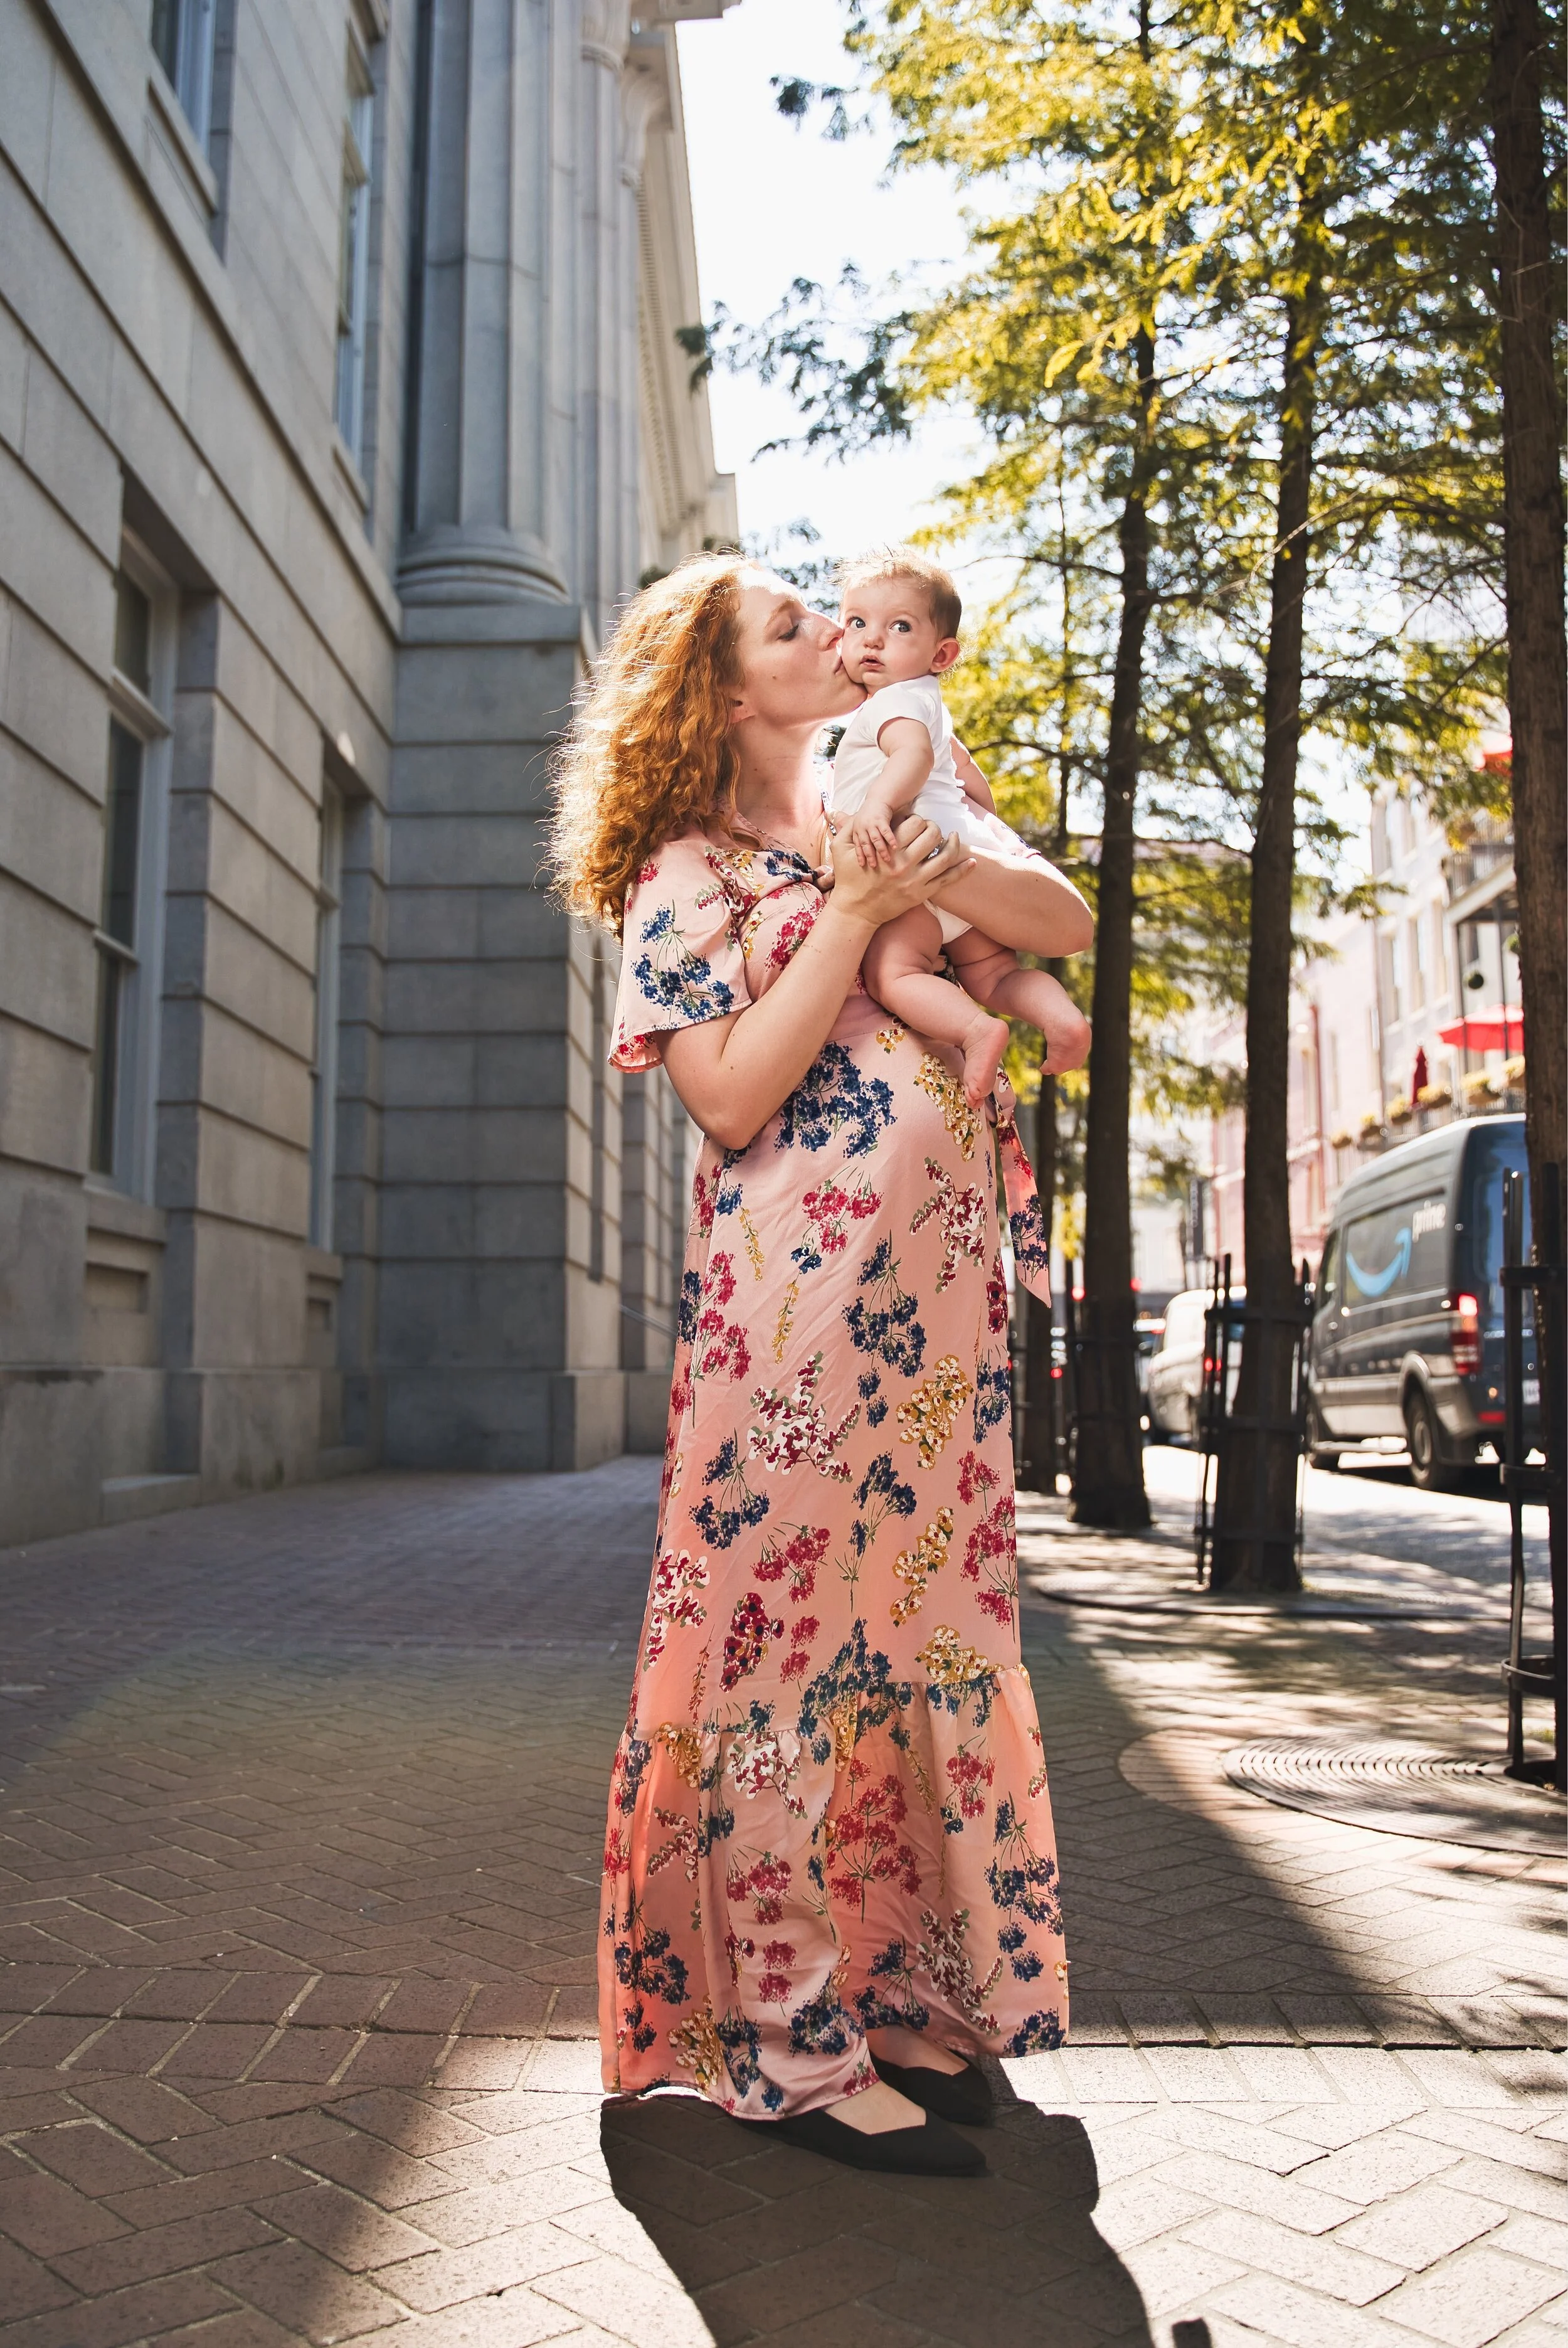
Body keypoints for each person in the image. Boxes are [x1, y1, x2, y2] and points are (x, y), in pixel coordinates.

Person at [554, 556, 1088, 2177]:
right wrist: (852, 911)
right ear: (723, 691)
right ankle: (787, 2042)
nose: (834, 635)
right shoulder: (687, 867)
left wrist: (928, 867)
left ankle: (917, 2000)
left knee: (924, 1628)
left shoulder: (914, 772)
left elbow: (1059, 924)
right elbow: (728, 1094)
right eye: (790, 625)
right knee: (777, 1650)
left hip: (938, 1316)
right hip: (786, 1313)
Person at [832, 547, 1091, 1103]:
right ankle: (1062, 1019)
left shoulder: (889, 706)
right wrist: (985, 822)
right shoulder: (929, 701)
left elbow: (913, 759)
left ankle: (977, 1029)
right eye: (857, 623)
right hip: (961, 855)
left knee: (894, 973)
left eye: (898, 626)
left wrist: (878, 806)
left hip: (913, 870)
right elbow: (967, 775)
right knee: (994, 973)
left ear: (941, 652)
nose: (871, 639)